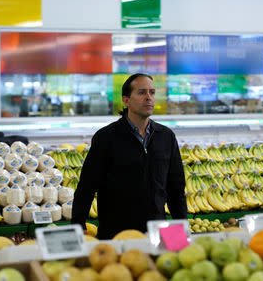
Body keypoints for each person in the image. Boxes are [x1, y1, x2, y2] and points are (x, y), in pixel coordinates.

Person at [71, 73, 187, 239]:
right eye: (141, 93)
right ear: (126, 100)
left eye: (152, 92)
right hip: (116, 233)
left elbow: (176, 189)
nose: (149, 97)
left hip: (157, 231)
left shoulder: (166, 136)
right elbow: (87, 186)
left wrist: (181, 227)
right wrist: (78, 223)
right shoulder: (106, 137)